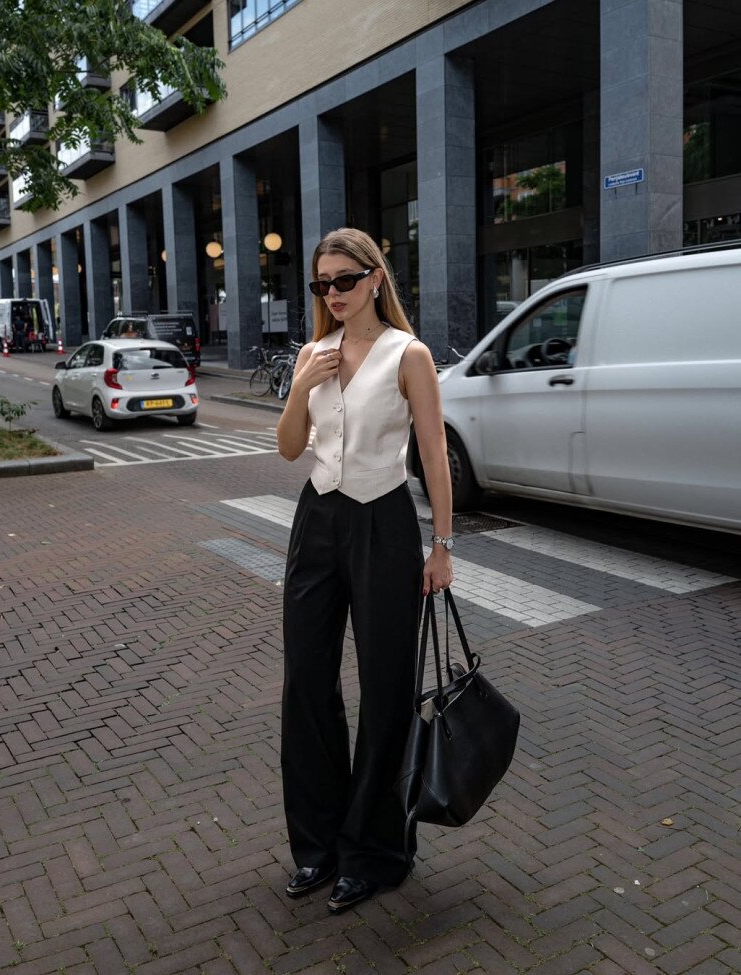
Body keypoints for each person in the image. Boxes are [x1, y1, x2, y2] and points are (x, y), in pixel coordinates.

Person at [276, 227, 454, 914]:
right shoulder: (312, 353)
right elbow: (290, 447)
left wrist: (442, 546)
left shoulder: (409, 354)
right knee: (306, 681)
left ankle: (374, 852)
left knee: (385, 688)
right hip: (317, 520)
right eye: (323, 283)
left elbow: (433, 453)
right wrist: (300, 388)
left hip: (384, 520)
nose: (333, 293)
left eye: (345, 280)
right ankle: (317, 844)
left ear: (376, 278)